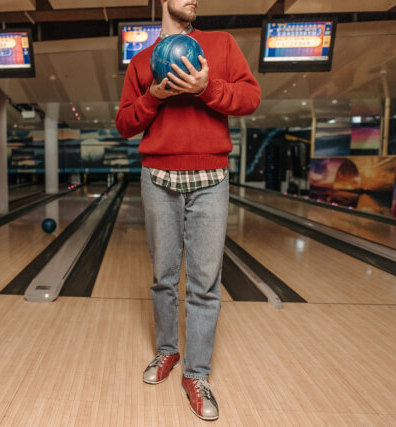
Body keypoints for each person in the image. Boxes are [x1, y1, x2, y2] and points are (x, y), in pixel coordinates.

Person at [115, 0, 260, 421]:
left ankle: (196, 375)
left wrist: (206, 89)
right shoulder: (142, 61)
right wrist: (155, 96)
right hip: (158, 176)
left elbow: (250, 98)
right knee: (163, 276)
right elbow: (125, 123)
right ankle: (166, 352)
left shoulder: (221, 44)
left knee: (204, 283)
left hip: (211, 176)